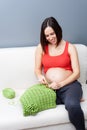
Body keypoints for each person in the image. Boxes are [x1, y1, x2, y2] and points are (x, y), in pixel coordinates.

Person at [34, 16, 85, 130]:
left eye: (52, 34)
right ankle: (69, 98)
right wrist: (40, 76)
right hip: (49, 87)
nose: (50, 38)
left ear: (58, 30)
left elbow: (77, 73)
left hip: (69, 85)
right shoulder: (41, 48)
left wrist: (60, 84)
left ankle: (71, 98)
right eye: (47, 35)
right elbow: (37, 69)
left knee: (72, 105)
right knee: (34, 101)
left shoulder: (70, 47)